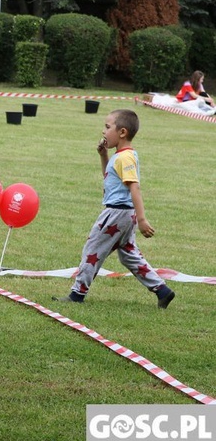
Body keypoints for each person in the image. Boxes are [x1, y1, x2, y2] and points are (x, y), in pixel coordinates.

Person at [53, 109, 175, 309]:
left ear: (122, 132)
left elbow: (134, 187)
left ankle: (77, 294)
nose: (103, 131)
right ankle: (162, 290)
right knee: (129, 254)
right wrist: (104, 156)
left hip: (116, 214)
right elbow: (110, 178)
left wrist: (143, 219)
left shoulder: (125, 158)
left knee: (92, 250)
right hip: (126, 215)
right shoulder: (121, 157)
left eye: (107, 127)